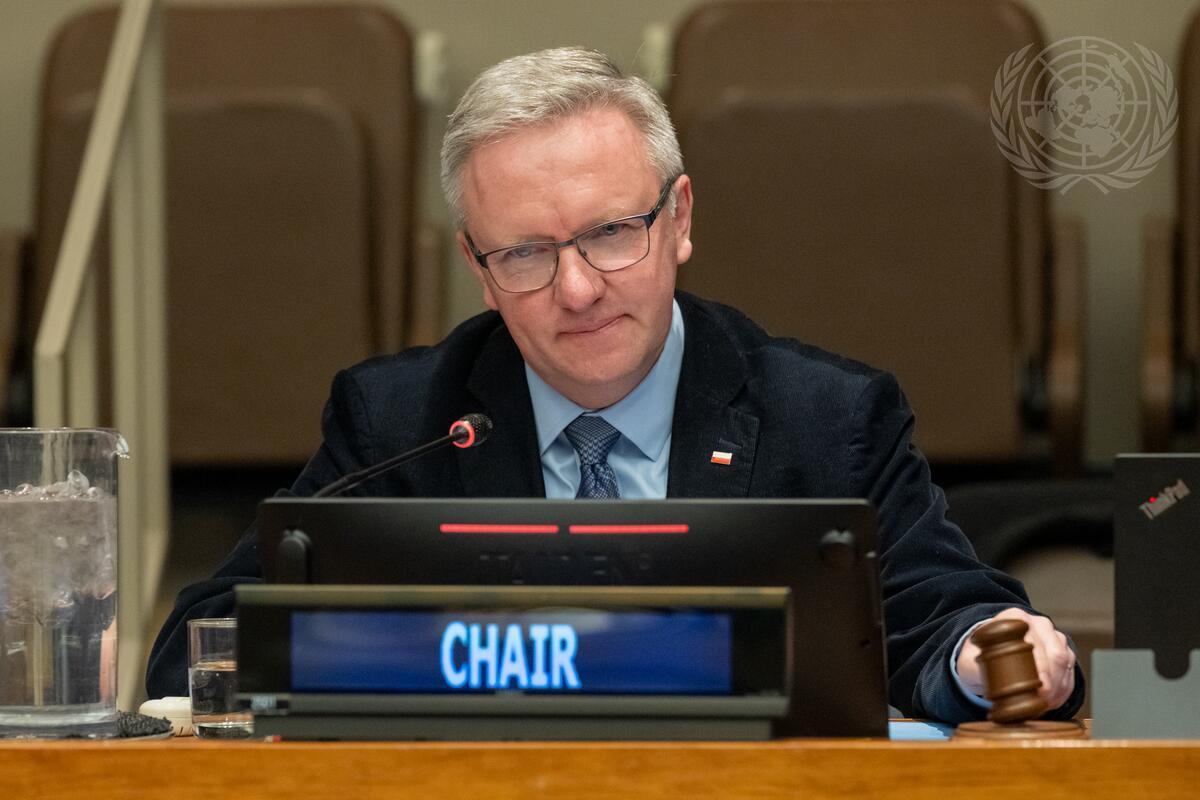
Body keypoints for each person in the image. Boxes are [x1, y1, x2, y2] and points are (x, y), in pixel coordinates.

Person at [147, 46, 1083, 722]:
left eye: (608, 233)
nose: (579, 289)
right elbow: (200, 646)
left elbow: (940, 618)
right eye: (526, 252)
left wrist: (986, 653)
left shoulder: (826, 416)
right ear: (479, 267)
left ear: (677, 218)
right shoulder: (399, 420)